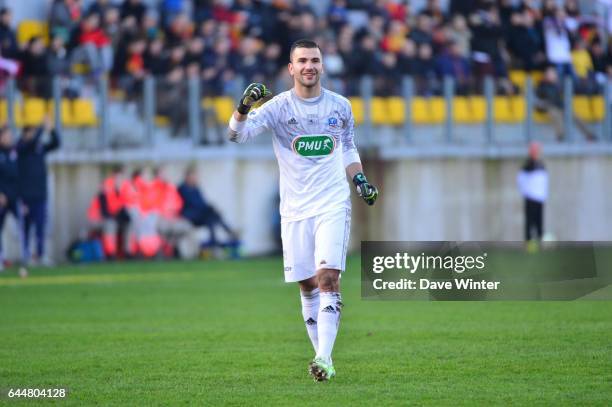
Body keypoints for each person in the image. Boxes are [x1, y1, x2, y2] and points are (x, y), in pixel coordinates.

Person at [227, 39, 379, 381]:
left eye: (315, 60)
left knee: (328, 277)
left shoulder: (340, 107)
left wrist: (360, 181)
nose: (309, 66)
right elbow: (236, 136)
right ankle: (320, 356)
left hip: (332, 202)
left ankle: (324, 358)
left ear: (322, 66)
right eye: (302, 61)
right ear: (291, 68)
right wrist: (243, 106)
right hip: (294, 209)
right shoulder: (279, 107)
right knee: (307, 286)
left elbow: (348, 148)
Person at [17, 117, 60, 266]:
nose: (34, 135)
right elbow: (31, 142)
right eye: (31, 132)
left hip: (40, 194)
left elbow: (56, 144)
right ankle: (26, 255)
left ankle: (41, 255)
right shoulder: (21, 147)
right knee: (26, 228)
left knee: (41, 227)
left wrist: (52, 129)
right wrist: (42, 128)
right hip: (26, 196)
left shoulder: (39, 148)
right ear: (25, 134)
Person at [177, 166, 238, 248]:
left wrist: (209, 208)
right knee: (211, 213)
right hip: (190, 216)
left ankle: (215, 241)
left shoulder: (196, 188)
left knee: (211, 217)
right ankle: (228, 232)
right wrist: (207, 208)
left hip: (200, 215)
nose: (195, 178)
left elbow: (203, 203)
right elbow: (193, 204)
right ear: (187, 177)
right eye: (193, 176)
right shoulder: (182, 189)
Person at [0, 126, 24, 270]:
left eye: (10, 135)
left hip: (15, 197)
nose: (9, 138)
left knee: (23, 225)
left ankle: (26, 257)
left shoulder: (15, 152)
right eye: (6, 135)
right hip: (2, 198)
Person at [517, 142, 548, 243]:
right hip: (530, 197)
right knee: (529, 222)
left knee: (539, 221)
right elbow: (522, 179)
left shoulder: (540, 164)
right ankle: (529, 242)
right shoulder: (528, 165)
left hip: (540, 197)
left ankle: (540, 240)